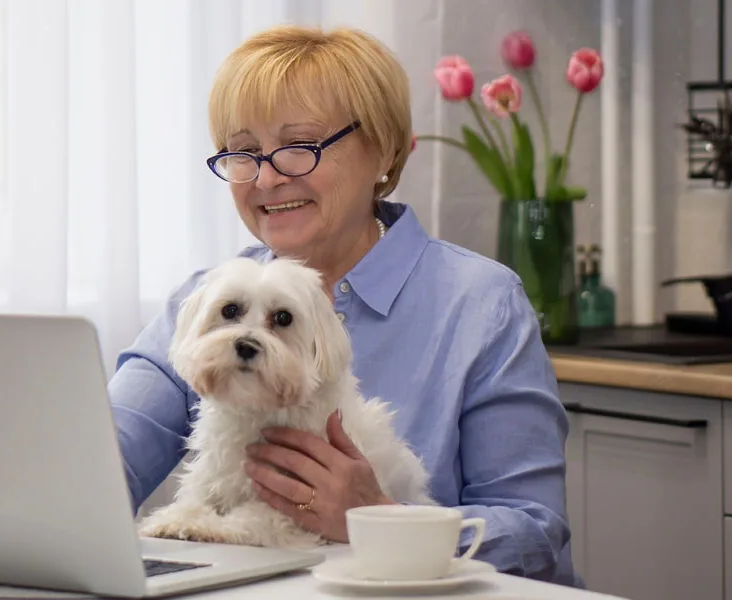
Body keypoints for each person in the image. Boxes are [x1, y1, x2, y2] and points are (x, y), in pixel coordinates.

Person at [107, 24, 578, 587]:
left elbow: (534, 532)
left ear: (382, 149)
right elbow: (102, 455)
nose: (266, 177)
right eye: (243, 152)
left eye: (299, 147)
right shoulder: (207, 301)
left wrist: (381, 518)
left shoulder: (481, 305)